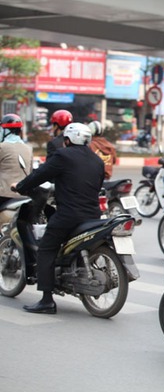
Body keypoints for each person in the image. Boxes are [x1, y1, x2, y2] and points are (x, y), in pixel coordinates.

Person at [15, 123, 104, 314]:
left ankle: (47, 300)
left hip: (69, 216)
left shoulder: (63, 156)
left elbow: (40, 175)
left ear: (67, 140)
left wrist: (21, 186)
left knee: (46, 248)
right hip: (93, 216)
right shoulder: (97, 161)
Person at [0, 114, 33, 206]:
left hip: (4, 196)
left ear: (6, 131)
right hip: (24, 197)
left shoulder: (2, 147)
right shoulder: (28, 148)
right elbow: (30, 172)